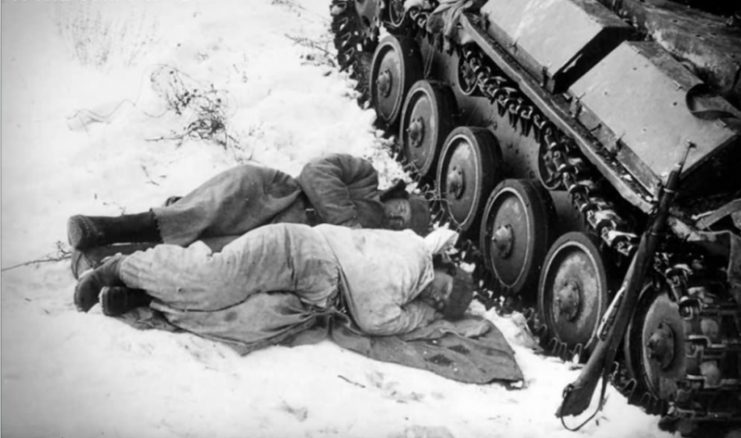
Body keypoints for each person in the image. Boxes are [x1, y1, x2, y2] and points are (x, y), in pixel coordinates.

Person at [74, 223, 474, 348]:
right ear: (445, 268)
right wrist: (424, 314)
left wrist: (427, 309)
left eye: (440, 302)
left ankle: (139, 296)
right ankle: (119, 269)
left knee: (242, 321)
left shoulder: (416, 261)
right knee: (213, 282)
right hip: (294, 250)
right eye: (444, 287)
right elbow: (375, 319)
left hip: (311, 289)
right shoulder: (411, 262)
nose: (435, 296)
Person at [67, 153, 432, 278]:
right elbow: (317, 173)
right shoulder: (365, 175)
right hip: (273, 193)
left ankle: (103, 261)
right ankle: (99, 228)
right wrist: (348, 226)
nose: (397, 219)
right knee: (198, 211)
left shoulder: (379, 241)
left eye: (402, 224)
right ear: (398, 196)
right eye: (402, 210)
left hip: (285, 239)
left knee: (204, 252)